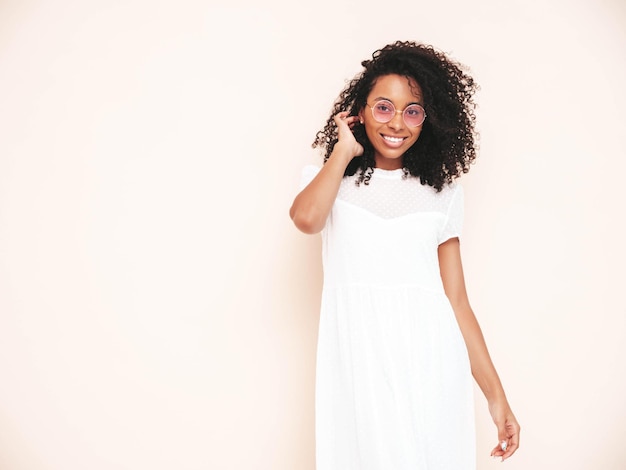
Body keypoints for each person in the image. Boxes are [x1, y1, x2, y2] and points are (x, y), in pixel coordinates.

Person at [290, 41, 520, 469]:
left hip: (430, 365)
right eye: (383, 108)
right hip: (359, 365)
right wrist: (344, 151)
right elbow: (305, 219)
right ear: (360, 111)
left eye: (412, 110)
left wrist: (496, 397)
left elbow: (457, 303)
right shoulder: (329, 180)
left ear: (427, 119)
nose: (397, 122)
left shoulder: (442, 195)